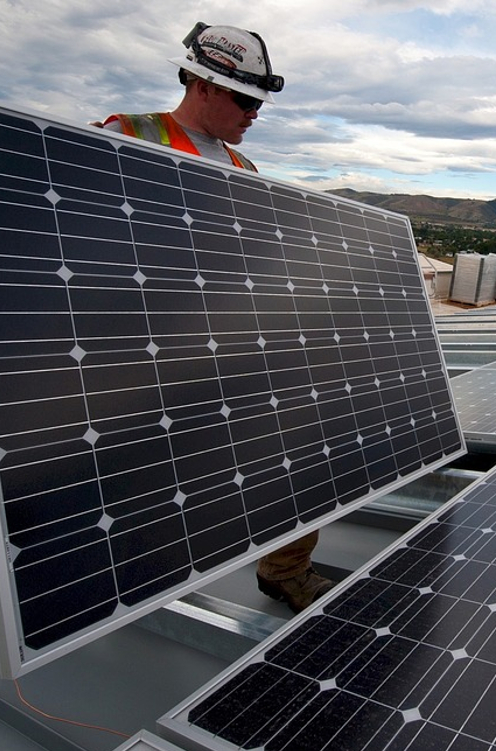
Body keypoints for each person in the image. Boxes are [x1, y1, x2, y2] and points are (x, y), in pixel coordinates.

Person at [100, 22, 334, 614]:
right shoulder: (125, 135)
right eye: (245, 99)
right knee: (151, 475)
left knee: (299, 441)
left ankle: (285, 568)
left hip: (225, 343)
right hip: (146, 350)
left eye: (260, 101)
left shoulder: (243, 168)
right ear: (203, 84)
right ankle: (125, 576)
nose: (255, 113)